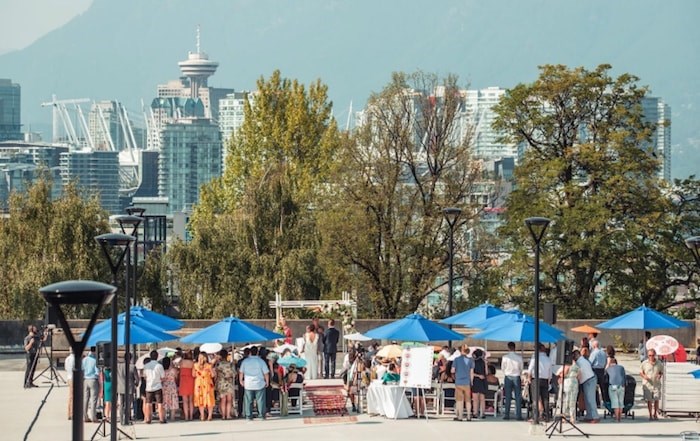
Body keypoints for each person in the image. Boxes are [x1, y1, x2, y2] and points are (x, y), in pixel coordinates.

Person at [239, 346, 270, 421]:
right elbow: (266, 373)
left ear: (250, 352)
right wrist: (267, 381)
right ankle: (261, 415)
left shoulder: (245, 361)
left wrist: (241, 380)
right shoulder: (261, 361)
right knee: (260, 401)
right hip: (259, 383)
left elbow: (241, 372)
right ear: (257, 352)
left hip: (248, 383)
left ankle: (248, 415)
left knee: (248, 401)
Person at [527, 343, 552, 422]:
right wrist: (549, 380)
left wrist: (528, 378)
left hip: (536, 379)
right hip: (545, 379)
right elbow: (550, 372)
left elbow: (530, 369)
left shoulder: (535, 357)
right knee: (545, 398)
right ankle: (546, 416)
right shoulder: (548, 359)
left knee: (535, 398)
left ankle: (536, 416)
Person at [573, 349, 599, 423]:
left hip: (589, 380)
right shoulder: (583, 360)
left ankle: (595, 416)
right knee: (587, 399)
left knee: (590, 399)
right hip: (588, 379)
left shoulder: (579, 362)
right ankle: (589, 416)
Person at [501, 341, 523, 421]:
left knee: (508, 396)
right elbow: (521, 368)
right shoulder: (519, 357)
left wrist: (506, 372)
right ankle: (518, 415)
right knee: (518, 397)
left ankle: (507, 414)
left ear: (508, 348)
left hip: (508, 376)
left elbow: (502, 368)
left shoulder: (505, 357)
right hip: (516, 376)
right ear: (515, 348)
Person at [143, 349, 166, 424]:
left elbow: (144, 376)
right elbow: (163, 377)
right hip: (158, 386)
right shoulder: (159, 366)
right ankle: (162, 419)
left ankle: (148, 419)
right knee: (159, 403)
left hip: (149, 386)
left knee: (148, 403)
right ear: (157, 356)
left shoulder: (146, 366)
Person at [451, 345, 473, 421]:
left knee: (459, 400)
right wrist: (471, 382)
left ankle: (460, 416)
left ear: (460, 351)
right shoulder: (470, 360)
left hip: (459, 382)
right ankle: (469, 416)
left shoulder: (456, 360)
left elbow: (452, 370)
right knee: (468, 400)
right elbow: (471, 373)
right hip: (467, 382)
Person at [640, 348, 663, 420]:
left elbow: (661, 371)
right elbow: (641, 372)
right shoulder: (644, 363)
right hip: (648, 384)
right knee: (649, 400)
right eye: (649, 355)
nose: (651, 357)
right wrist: (644, 376)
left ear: (655, 355)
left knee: (656, 399)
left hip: (656, 384)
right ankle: (650, 414)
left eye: (652, 355)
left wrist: (660, 375)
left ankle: (655, 413)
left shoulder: (659, 363)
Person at [117, 353, 139, 425]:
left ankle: (121, 419)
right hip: (129, 388)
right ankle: (126, 419)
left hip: (120, 387)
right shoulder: (132, 367)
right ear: (131, 358)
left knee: (121, 404)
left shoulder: (118, 366)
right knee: (128, 405)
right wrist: (136, 384)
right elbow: (137, 379)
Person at [193, 352, 216, 421]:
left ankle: (202, 416)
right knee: (209, 399)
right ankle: (209, 416)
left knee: (200, 399)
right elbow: (212, 375)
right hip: (207, 383)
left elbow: (193, 375)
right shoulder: (209, 366)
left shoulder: (195, 365)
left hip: (199, 383)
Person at [216, 349, 236, 420]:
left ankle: (223, 415)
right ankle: (228, 415)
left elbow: (216, 374)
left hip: (221, 383)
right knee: (229, 400)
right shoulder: (230, 364)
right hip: (229, 383)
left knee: (222, 400)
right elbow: (234, 374)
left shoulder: (218, 364)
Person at [605, 357, 626, 422]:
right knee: (620, 402)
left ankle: (617, 418)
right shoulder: (621, 367)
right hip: (621, 385)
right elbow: (624, 376)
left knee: (615, 402)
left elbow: (605, 374)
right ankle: (620, 417)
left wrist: (607, 365)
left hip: (613, 385)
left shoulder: (608, 369)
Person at [561, 357, 580, 423]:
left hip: (568, 382)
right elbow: (579, 376)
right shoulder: (577, 366)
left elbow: (564, 373)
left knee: (566, 400)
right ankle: (572, 417)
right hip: (574, 383)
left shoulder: (568, 365)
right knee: (573, 400)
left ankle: (564, 417)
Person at [588, 340, 607, 406]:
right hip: (602, 370)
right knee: (602, 387)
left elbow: (590, 362)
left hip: (595, 370)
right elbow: (605, 362)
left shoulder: (594, 353)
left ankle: (597, 402)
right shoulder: (603, 353)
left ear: (594, 345)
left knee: (595, 387)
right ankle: (605, 401)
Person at [178, 350, 195, 420]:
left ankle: (186, 416)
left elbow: (179, 369)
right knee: (191, 400)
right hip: (191, 380)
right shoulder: (193, 363)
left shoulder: (181, 362)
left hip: (183, 381)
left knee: (185, 400)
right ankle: (191, 416)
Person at [161, 357, 179, 421]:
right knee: (173, 400)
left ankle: (164, 416)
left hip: (165, 386)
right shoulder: (173, 370)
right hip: (172, 386)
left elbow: (161, 379)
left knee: (165, 400)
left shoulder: (162, 370)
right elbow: (176, 377)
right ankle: (172, 417)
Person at [472, 349, 487, 418]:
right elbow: (486, 372)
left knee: (475, 399)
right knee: (482, 398)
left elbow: (471, 373)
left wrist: (477, 376)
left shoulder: (473, 362)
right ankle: (483, 413)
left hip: (476, 380)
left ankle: (475, 412)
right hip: (483, 380)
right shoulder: (484, 362)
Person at [65, 350, 75, 420]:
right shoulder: (74, 359)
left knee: (70, 396)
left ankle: (69, 412)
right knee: (73, 396)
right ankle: (71, 413)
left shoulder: (67, 359)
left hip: (69, 377)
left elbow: (66, 368)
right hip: (73, 378)